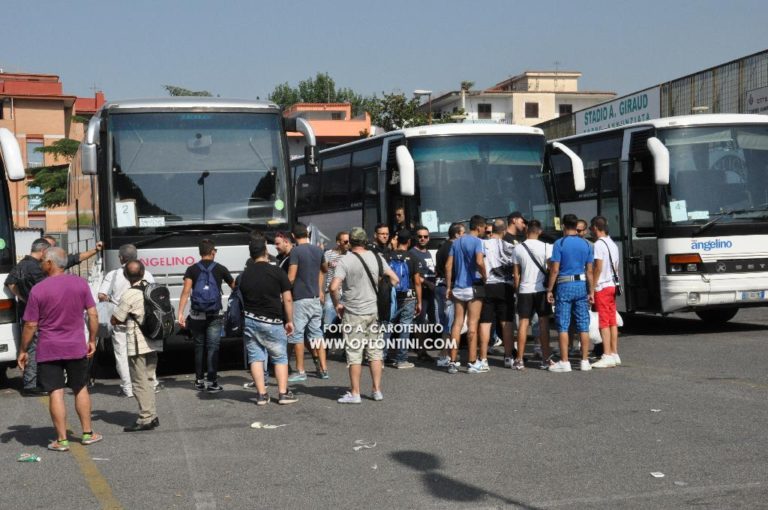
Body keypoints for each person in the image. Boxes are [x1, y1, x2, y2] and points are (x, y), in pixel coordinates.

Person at [17, 247, 102, 451]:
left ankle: (62, 440)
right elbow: (93, 315)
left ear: (50, 263)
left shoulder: (39, 289)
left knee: (55, 391)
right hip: (75, 345)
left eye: (43, 260)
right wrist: (92, 339)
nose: (41, 263)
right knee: (80, 387)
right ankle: (88, 433)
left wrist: (23, 350)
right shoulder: (80, 284)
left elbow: (30, 325)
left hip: (49, 348)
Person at [329, 227, 398, 404]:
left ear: (350, 242)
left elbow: (333, 287)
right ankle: (377, 390)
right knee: (375, 353)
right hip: (373, 311)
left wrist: (338, 304)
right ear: (366, 240)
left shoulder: (345, 260)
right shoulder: (377, 257)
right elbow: (395, 279)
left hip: (353, 312)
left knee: (354, 354)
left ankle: (355, 393)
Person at [239, 237, 297, 405]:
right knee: (279, 357)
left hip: (250, 320)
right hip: (273, 321)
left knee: (256, 357)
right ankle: (283, 393)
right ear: (265, 252)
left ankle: (262, 395)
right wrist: (290, 320)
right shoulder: (277, 272)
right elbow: (287, 299)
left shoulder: (244, 275)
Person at [98, 244, 156, 398]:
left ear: (121, 258)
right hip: (142, 323)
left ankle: (128, 388)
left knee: (122, 355)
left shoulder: (114, 274)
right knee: (145, 353)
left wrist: (112, 299)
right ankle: (151, 383)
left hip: (121, 321)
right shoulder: (147, 274)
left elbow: (101, 295)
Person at [178, 239, 235, 392]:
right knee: (213, 348)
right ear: (212, 252)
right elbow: (234, 286)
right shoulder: (221, 268)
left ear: (200, 252)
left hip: (197, 315)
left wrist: (180, 313)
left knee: (199, 347)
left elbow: (185, 292)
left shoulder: (191, 269)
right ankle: (212, 382)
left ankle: (198, 380)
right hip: (215, 314)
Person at [111, 260, 161, 431]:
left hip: (137, 343)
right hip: (154, 341)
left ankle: (145, 418)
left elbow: (116, 318)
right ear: (143, 272)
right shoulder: (153, 289)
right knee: (148, 379)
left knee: (139, 382)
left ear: (126, 275)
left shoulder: (129, 295)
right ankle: (152, 415)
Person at [546, 214, 595, 373]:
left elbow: (554, 270)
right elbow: (589, 271)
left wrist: (549, 289)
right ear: (576, 226)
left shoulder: (559, 243)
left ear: (563, 226)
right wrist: (591, 291)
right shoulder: (586, 245)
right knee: (583, 324)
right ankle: (585, 361)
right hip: (581, 285)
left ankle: (565, 361)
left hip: (564, 285)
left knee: (563, 324)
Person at [4, 238, 51, 395]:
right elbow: (46, 290)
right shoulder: (36, 268)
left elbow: (9, 283)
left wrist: (22, 298)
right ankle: (31, 385)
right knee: (35, 348)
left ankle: (31, 383)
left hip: (26, 312)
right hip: (38, 314)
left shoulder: (21, 264)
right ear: (43, 251)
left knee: (31, 347)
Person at [445, 215, 487, 374]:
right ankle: (472, 362)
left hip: (458, 288)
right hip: (473, 287)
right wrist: (485, 276)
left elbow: (448, 266)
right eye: (484, 228)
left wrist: (449, 286)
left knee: (456, 324)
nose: (484, 230)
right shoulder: (477, 242)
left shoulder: (456, 242)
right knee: (472, 325)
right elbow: (479, 262)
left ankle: (453, 361)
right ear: (479, 227)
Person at [287, 223, 328, 381]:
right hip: (315, 299)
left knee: (297, 335)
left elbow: (291, 276)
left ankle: (300, 370)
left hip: (300, 298)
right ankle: (324, 369)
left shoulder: (296, 251)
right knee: (317, 335)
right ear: (307, 234)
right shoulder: (318, 250)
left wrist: (282, 289)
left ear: (293, 236)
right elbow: (325, 268)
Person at [513, 219, 554, 370]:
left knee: (523, 324)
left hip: (524, 289)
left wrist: (517, 292)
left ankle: (519, 360)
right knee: (543, 323)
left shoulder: (518, 248)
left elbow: (516, 275)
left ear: (526, 230)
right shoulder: (546, 247)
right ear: (540, 231)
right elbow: (551, 268)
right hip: (541, 290)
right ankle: (545, 359)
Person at [479, 219, 516, 372]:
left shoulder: (483, 244)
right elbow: (516, 269)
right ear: (505, 230)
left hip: (488, 285)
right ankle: (508, 356)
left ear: (492, 229)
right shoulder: (511, 246)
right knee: (506, 322)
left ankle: (483, 359)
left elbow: (478, 262)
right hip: (506, 286)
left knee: (486, 322)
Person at [383, 230, 423, 369]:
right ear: (409, 241)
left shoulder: (388, 256)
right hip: (408, 296)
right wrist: (420, 302)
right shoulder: (413, 257)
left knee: (387, 325)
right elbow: (417, 282)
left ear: (397, 240)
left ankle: (381, 357)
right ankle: (401, 360)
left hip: (391, 296)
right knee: (405, 327)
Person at [589, 216, 622, 368]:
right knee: (612, 320)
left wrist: (592, 287)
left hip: (602, 286)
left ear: (596, 227)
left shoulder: (598, 245)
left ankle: (606, 354)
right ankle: (614, 353)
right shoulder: (613, 244)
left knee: (603, 322)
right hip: (613, 285)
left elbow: (598, 267)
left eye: (591, 228)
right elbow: (615, 267)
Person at [434, 222, 464, 367]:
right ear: (457, 234)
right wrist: (450, 286)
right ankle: (444, 355)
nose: (464, 236)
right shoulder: (453, 248)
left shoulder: (442, 246)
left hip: (440, 286)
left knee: (446, 321)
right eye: (463, 233)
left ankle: (445, 353)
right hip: (447, 288)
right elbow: (449, 268)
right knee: (450, 323)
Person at [408, 226, 437, 363]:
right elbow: (415, 277)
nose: (423, 239)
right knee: (420, 322)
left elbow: (429, 270)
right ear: (415, 238)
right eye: (420, 236)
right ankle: (421, 350)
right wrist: (427, 282)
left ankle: (420, 346)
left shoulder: (427, 253)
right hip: (420, 292)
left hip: (431, 292)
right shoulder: (412, 253)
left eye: (425, 236)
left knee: (432, 321)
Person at [322, 231, 349, 328]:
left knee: (346, 322)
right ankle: (327, 340)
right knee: (328, 319)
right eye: (346, 242)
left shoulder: (351, 255)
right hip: (331, 291)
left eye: (349, 241)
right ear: (338, 242)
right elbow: (323, 270)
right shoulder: (329, 253)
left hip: (346, 292)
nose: (348, 244)